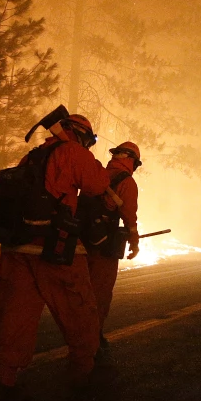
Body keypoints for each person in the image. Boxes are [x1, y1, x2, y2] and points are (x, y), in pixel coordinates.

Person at [0, 112, 112, 401]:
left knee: (16, 317)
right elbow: (96, 184)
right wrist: (90, 159)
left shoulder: (32, 157)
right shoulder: (73, 152)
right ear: (81, 135)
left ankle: (5, 380)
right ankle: (83, 374)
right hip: (55, 249)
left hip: (17, 249)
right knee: (79, 309)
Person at [82, 141, 141, 359]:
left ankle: (80, 336)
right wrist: (134, 241)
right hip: (104, 245)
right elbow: (129, 216)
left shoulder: (98, 175)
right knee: (100, 292)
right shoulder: (127, 182)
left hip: (82, 240)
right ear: (132, 161)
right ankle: (91, 341)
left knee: (81, 290)